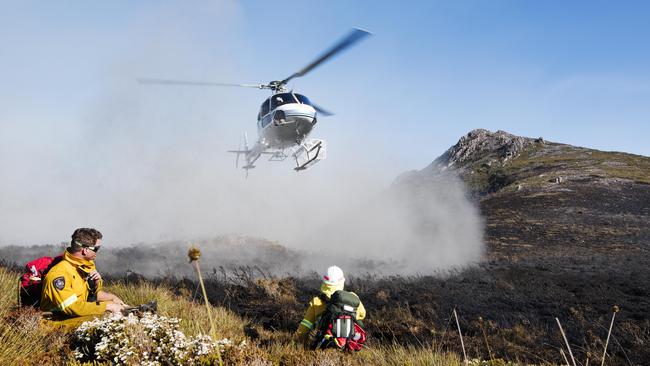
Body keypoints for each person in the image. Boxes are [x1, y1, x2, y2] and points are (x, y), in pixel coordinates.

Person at [40, 228, 127, 328]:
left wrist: (111, 297)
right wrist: (108, 306)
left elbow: (89, 296)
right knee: (107, 316)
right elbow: (71, 307)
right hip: (56, 323)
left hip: (73, 316)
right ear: (85, 250)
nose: (97, 252)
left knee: (118, 308)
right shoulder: (59, 274)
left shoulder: (84, 267)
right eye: (96, 249)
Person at [295, 265, 366, 345]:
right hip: (348, 343)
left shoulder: (316, 301)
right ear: (342, 282)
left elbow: (306, 324)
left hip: (323, 343)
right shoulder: (353, 297)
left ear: (325, 282)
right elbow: (362, 315)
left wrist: (296, 341)